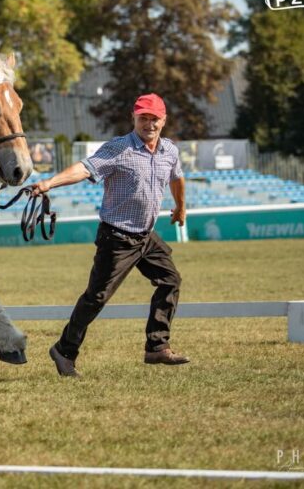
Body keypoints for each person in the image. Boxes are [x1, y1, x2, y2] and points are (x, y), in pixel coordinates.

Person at [31, 93, 189, 378]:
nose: (149, 124)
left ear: (164, 121)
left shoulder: (170, 151)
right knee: (96, 297)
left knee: (170, 280)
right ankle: (64, 350)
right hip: (117, 237)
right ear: (134, 118)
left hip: (146, 236)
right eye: (143, 118)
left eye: (154, 119)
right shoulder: (118, 149)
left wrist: (180, 207)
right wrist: (49, 183)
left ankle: (157, 346)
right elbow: (84, 169)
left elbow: (176, 177)